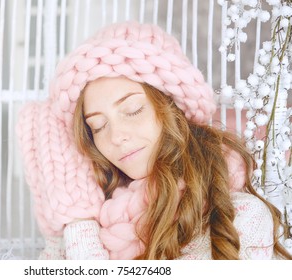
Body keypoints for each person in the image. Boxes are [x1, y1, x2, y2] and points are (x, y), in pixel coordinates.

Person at [16, 21, 292, 260]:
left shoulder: (239, 217)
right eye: (97, 126)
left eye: (132, 110)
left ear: (173, 109)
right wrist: (76, 213)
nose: (116, 136)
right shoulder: (95, 205)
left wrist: (82, 234)